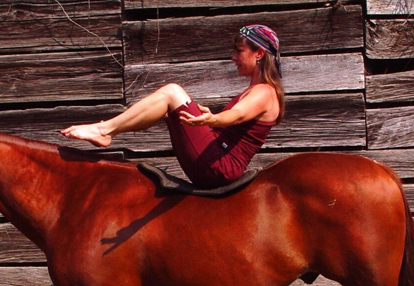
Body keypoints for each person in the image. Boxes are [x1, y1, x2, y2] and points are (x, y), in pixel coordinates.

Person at [60, 24, 285, 189]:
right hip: (217, 157)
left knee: (172, 92)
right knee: (172, 102)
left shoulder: (264, 92)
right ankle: (107, 130)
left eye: (239, 51)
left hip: (221, 165)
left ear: (259, 54)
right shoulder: (255, 90)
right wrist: (206, 117)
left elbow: (237, 116)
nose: (233, 56)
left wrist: (212, 119)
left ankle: (104, 130)